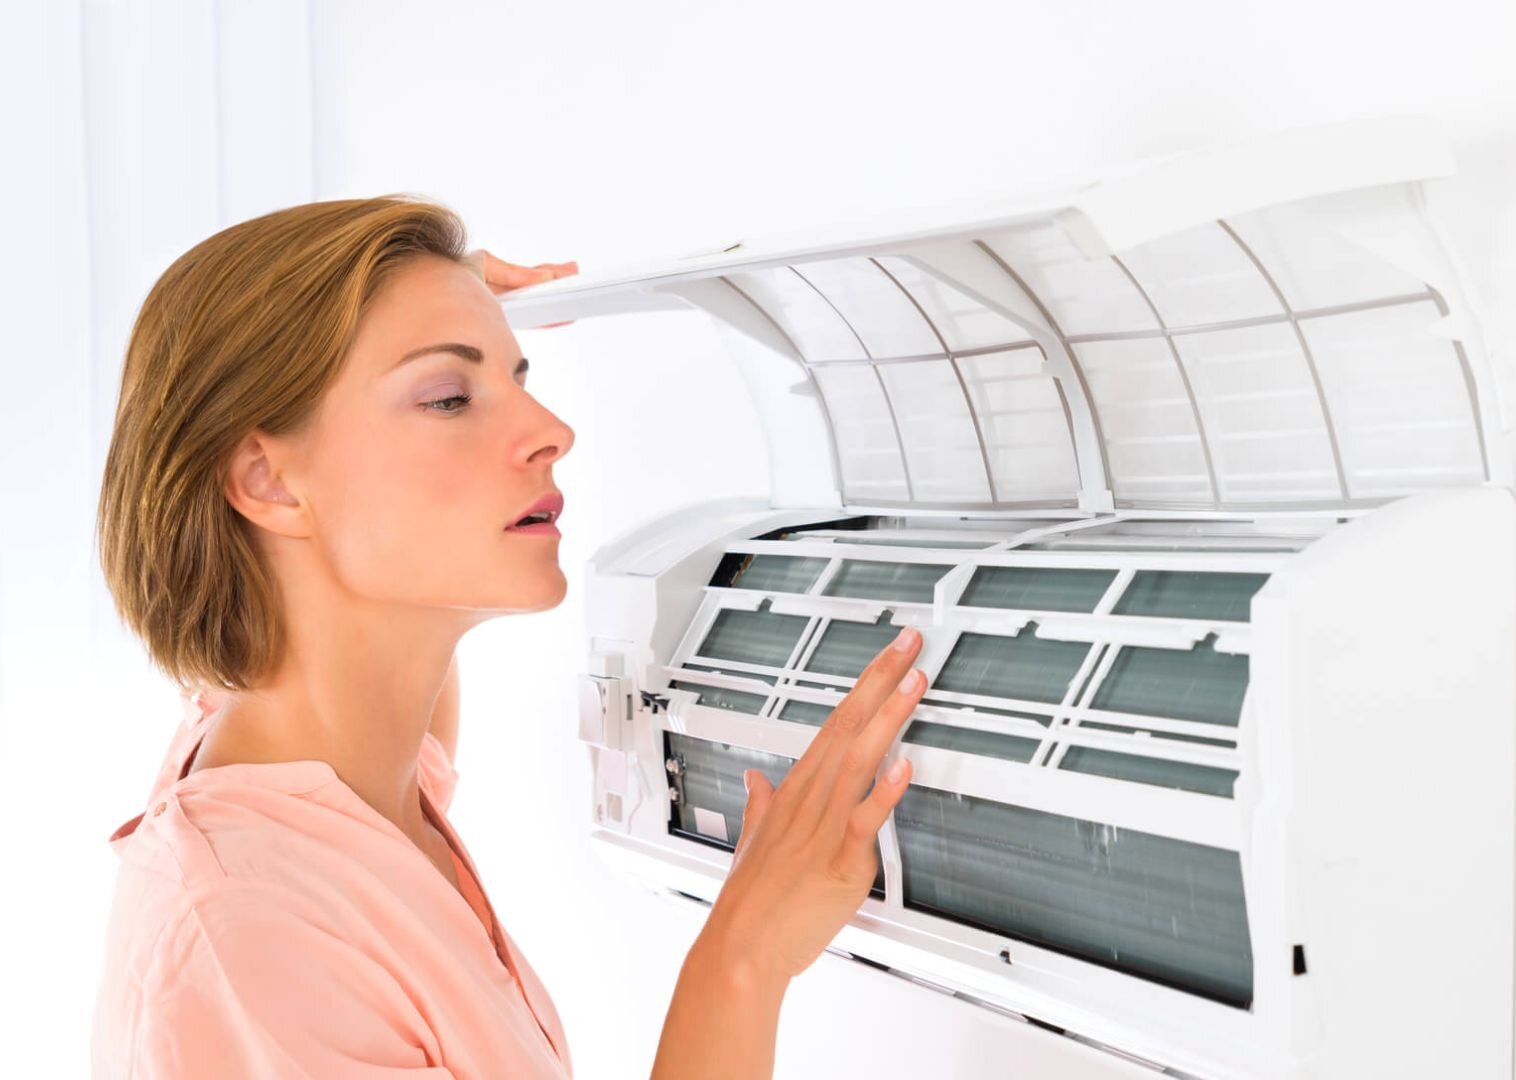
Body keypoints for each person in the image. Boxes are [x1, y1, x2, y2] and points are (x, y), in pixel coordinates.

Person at [90, 196, 923, 1078]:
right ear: (268, 481)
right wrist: (743, 960)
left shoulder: (318, 755)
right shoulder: (252, 938)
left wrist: (441, 300)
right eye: (450, 397)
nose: (551, 434)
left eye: (518, 379)